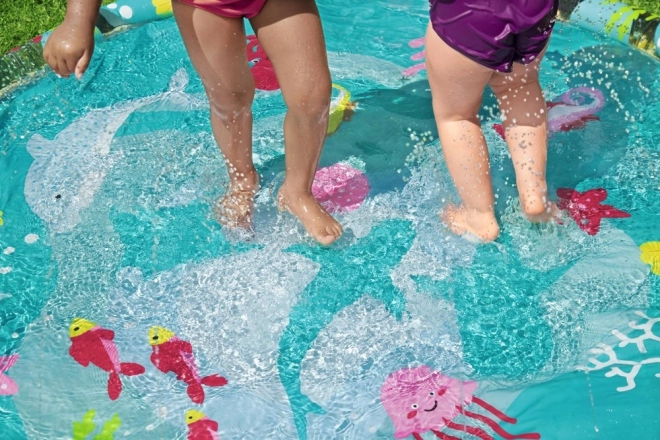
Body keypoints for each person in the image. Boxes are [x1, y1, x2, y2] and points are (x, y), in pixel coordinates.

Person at [42, 0, 343, 246]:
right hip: (205, 4)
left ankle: (297, 191)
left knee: (313, 97)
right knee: (230, 100)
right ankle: (242, 181)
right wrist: (77, 20)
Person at [425, 0, 560, 242]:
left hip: (470, 11)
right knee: (520, 86)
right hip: (534, 8)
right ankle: (534, 197)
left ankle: (478, 217)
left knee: (456, 115)